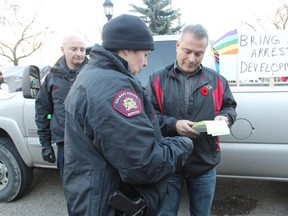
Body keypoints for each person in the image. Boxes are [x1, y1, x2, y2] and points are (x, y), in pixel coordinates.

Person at [63, 14, 194, 216]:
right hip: (107, 204)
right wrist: (183, 145)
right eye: (146, 54)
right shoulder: (113, 87)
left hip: (93, 195)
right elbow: (143, 164)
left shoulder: (93, 75)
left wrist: (169, 127)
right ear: (126, 49)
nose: (146, 63)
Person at [146, 24, 237, 216]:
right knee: (165, 213)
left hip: (204, 162)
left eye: (199, 53)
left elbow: (230, 107)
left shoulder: (218, 81)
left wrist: (226, 117)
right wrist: (173, 125)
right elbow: (149, 117)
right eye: (187, 51)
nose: (192, 59)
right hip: (169, 162)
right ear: (178, 46)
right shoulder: (156, 80)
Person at [35, 34, 88, 216]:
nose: (80, 53)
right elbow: (42, 110)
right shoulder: (51, 78)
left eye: (82, 49)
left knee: (97, 189)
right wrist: (45, 144)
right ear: (62, 50)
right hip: (66, 145)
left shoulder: (93, 73)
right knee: (72, 191)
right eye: (74, 49)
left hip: (93, 143)